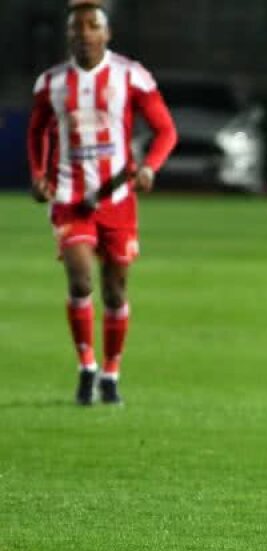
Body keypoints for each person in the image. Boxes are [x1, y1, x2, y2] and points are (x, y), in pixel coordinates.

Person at [26, 1, 177, 405]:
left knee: (114, 290)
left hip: (117, 199)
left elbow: (165, 130)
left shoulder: (131, 76)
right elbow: (37, 131)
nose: (85, 33)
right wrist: (39, 174)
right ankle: (86, 366)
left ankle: (111, 373)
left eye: (93, 26)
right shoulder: (52, 83)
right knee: (80, 280)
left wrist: (150, 167)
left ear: (106, 34)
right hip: (68, 196)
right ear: (69, 35)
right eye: (77, 27)